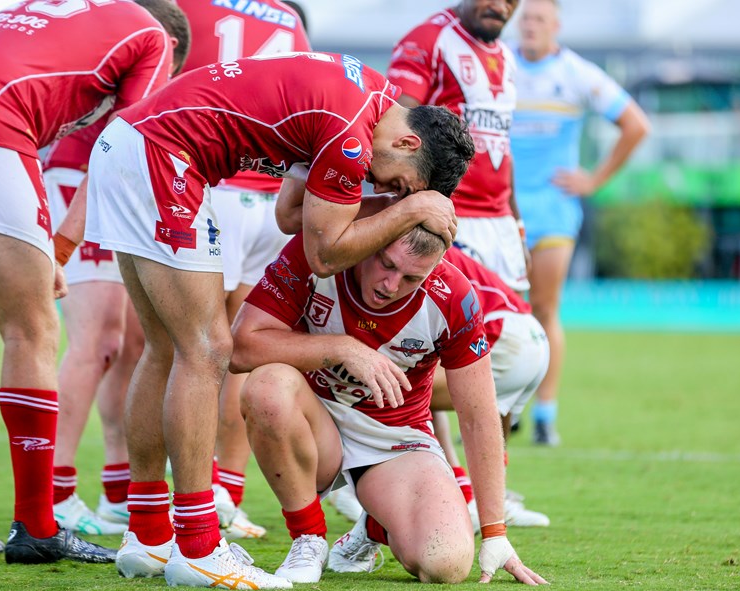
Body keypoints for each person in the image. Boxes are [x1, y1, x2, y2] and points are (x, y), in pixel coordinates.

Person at [64, 52, 473, 587]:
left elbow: (288, 215)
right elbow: (325, 255)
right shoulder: (353, 135)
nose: (385, 191)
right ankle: (198, 546)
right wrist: (409, 210)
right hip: (166, 157)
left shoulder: (367, 99)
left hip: (133, 143)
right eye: (397, 183)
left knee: (165, 349)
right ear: (408, 143)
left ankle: (147, 535)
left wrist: (400, 204)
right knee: (207, 350)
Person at [0, 0, 188, 563]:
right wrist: (58, 248)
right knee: (31, 329)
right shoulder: (153, 38)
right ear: (173, 52)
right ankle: (37, 527)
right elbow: (125, 149)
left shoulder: (57, 13)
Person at [231, 226, 547, 585]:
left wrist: (494, 531)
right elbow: (241, 348)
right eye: (387, 264)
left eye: (412, 277)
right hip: (313, 419)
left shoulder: (452, 295)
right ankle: (308, 538)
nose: (390, 285)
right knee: (267, 386)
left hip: (395, 438)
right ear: (371, 243)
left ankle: (377, 522)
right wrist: (342, 348)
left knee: (446, 564)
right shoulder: (320, 255)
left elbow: (479, 416)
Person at [173, 0, 311, 541]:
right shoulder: (288, 18)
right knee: (240, 353)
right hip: (271, 200)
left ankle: (187, 497)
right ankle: (226, 497)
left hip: (214, 186)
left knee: (192, 351)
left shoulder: (188, 6)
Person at [509, 0, 650, 444]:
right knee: (499, 310)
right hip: (499, 209)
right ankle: (504, 407)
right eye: (525, 19)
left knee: (545, 309)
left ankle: (545, 415)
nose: (530, 26)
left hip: (552, 211)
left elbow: (636, 126)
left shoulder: (577, 73)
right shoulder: (496, 66)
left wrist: (595, 179)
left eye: (539, 20)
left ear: (556, 26)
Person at [388, 0, 529, 292]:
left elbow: (502, 148)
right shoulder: (428, 39)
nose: (500, 7)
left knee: (509, 329)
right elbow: (394, 127)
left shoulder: (506, 55)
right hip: (450, 217)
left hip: (500, 223)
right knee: (447, 327)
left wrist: (517, 227)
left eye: (511, 1)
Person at [44, 120, 141, 537]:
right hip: (82, 167)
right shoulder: (155, 52)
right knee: (98, 341)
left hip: (129, 173)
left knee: (135, 343)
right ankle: (55, 491)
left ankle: (118, 491)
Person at [430, 246, 550, 527]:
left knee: (401, 387)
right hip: (532, 334)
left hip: (504, 336)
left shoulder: (402, 247)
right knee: (493, 414)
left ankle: (360, 502)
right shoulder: (434, 235)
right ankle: (493, 498)